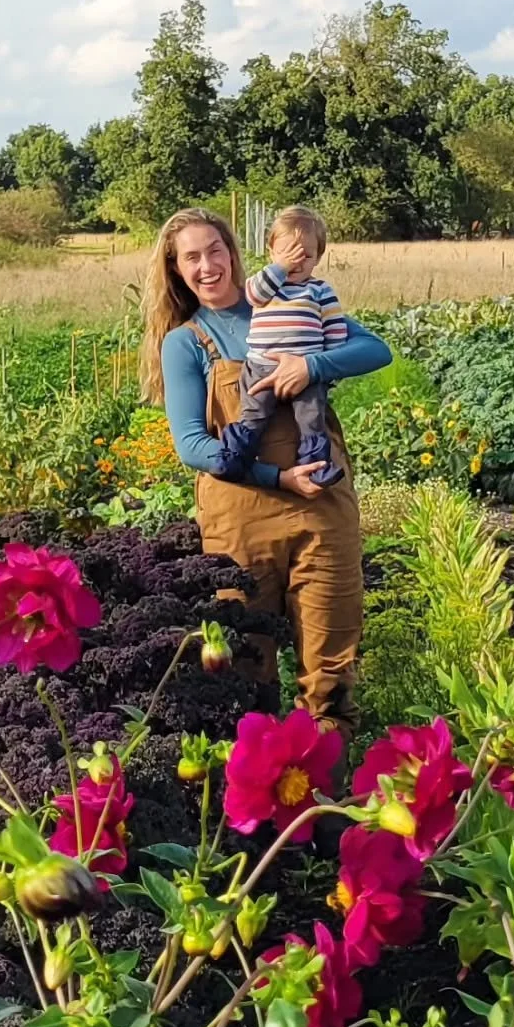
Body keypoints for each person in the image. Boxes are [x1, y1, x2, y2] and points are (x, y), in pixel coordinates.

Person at [141, 206, 391, 743]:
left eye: (216, 250)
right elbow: (193, 447)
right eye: (192, 257)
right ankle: (255, 816)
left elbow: (376, 349)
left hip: (322, 511)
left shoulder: (290, 302)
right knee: (244, 672)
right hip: (241, 522)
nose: (208, 266)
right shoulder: (186, 341)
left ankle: (326, 810)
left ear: (234, 253)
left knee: (330, 672)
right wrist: (279, 480)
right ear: (176, 270)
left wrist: (311, 365)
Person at [214, 205, 346, 489]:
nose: (296, 263)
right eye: (288, 255)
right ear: (271, 252)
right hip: (262, 366)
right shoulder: (266, 285)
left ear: (319, 257)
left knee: (311, 418)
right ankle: (237, 455)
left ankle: (316, 467)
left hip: (306, 371)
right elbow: (251, 294)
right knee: (254, 413)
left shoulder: (319, 290)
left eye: (306, 256)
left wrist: (326, 369)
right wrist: (280, 269)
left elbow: (335, 330)